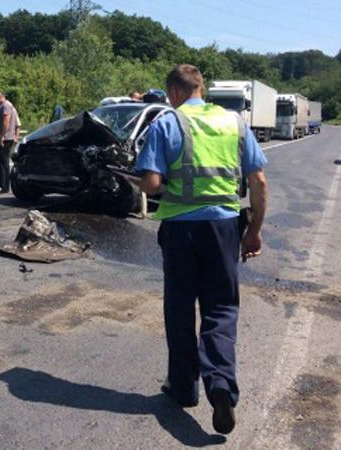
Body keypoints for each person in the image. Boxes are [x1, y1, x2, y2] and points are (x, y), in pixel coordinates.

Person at [137, 64, 268, 435]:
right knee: (221, 308)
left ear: (173, 93)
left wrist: (145, 181)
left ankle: (183, 389)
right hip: (224, 228)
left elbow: (150, 184)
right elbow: (258, 180)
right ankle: (221, 386)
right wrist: (254, 231)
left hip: (180, 231)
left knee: (179, 309)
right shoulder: (236, 124)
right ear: (201, 89)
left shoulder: (166, 123)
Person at [0, 91, 20, 193]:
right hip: (0, 136)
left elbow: (6, 121)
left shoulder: (6, 106)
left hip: (5, 138)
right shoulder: (3, 106)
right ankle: (0, 183)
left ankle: (4, 186)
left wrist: (2, 136)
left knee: (3, 162)